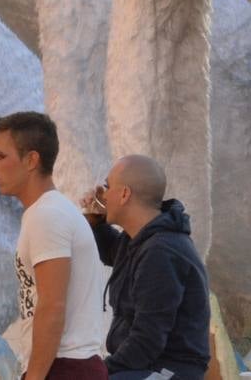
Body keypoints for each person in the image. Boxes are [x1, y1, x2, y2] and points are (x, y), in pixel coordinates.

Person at [0, 112, 106, 380]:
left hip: (66, 367)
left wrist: (35, 376)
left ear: (31, 160)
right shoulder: (45, 212)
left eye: (0, 156)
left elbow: (52, 306)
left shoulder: (47, 215)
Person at [82, 155, 210, 380]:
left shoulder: (162, 251)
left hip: (170, 370)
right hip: (146, 366)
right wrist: (97, 222)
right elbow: (113, 252)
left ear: (124, 194)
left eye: (108, 186)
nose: (103, 194)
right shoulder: (137, 240)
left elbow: (147, 341)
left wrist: (100, 371)